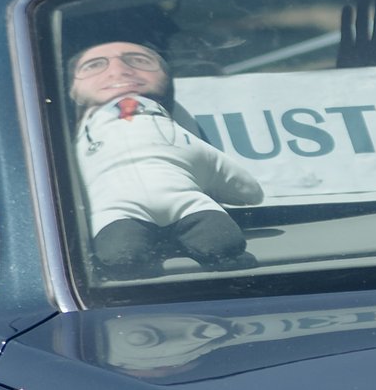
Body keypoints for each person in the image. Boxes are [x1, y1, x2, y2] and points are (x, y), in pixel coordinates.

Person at [69, 34, 263, 277]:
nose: (119, 70)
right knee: (121, 251)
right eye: (94, 65)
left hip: (188, 203)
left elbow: (238, 182)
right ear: (72, 90)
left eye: (138, 60)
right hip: (115, 214)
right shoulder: (69, 148)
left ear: (167, 79)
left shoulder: (177, 133)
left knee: (220, 240)